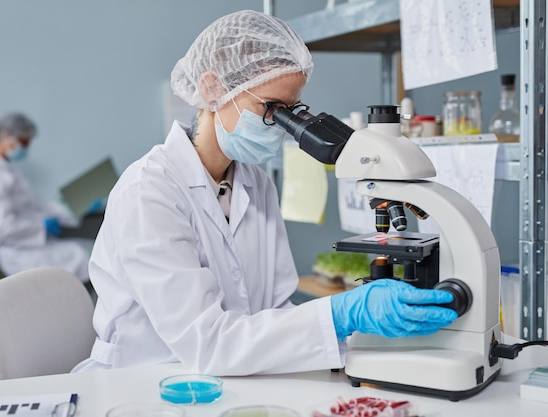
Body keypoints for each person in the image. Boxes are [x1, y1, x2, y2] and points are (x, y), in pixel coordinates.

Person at [72, 10, 457, 375]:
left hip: (231, 378)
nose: (280, 125)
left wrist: (353, 336)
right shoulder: (148, 193)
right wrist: (341, 315)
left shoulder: (256, 182)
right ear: (211, 89)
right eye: (272, 108)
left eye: (292, 109)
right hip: (142, 383)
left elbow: (275, 307)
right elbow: (208, 343)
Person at [0, 112, 90, 282]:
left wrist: (73, 208)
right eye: (24, 142)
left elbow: (34, 206)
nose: (25, 148)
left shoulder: (7, 168)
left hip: (33, 245)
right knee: (90, 259)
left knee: (90, 251)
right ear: (5, 135)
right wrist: (41, 227)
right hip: (19, 253)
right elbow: (2, 228)